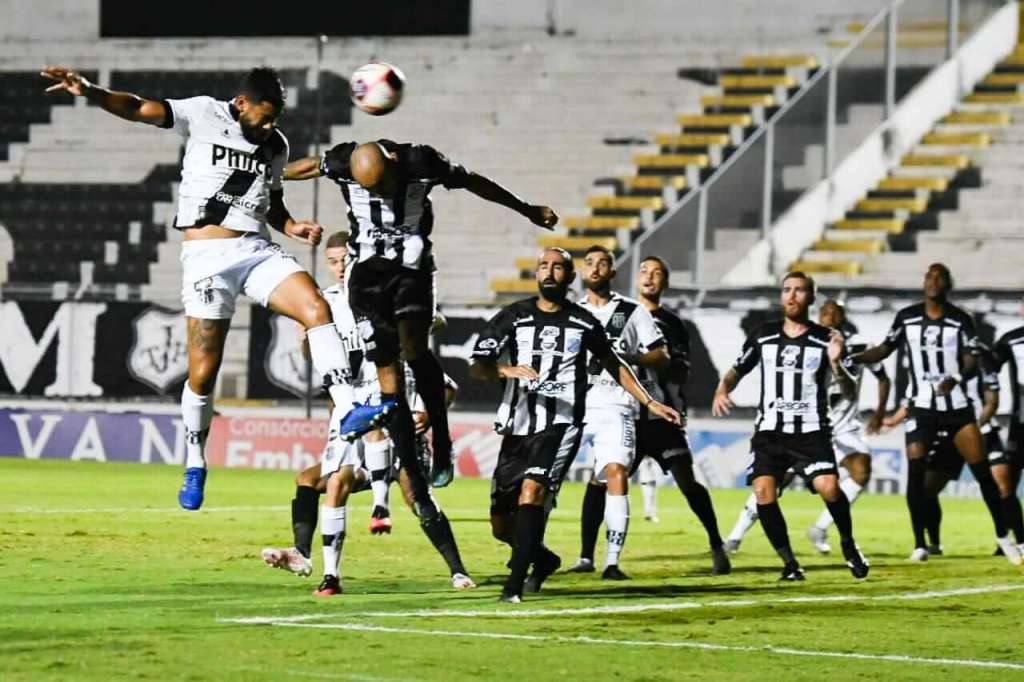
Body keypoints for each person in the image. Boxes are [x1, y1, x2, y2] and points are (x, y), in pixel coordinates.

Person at [40, 66, 358, 511]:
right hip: (207, 258)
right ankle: (195, 459)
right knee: (203, 373)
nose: (270, 126)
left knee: (316, 308)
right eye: (265, 116)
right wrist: (90, 91)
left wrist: (291, 226)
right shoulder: (203, 113)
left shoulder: (275, 145)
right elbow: (137, 108)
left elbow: (271, 198)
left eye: (276, 119)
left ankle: (348, 408)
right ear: (242, 103)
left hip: (256, 250)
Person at [284, 141, 558, 503]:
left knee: (414, 351)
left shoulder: (422, 162)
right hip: (366, 278)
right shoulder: (342, 161)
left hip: (412, 271)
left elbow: (474, 182)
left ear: (392, 163)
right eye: (370, 189)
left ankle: (441, 439)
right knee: (388, 375)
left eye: (383, 186)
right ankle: (411, 465)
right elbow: (306, 167)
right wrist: (266, 171)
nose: (379, 195)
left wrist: (526, 209)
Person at [260, 233, 473, 593]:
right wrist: (306, 342)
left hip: (392, 407)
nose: (340, 267)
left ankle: (457, 570)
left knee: (416, 496)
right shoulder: (320, 304)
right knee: (322, 481)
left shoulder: (378, 291)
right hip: (355, 410)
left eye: (345, 259)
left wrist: (428, 415)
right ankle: (317, 565)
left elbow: (431, 331)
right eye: (333, 261)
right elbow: (321, 364)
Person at [470, 247, 682, 602]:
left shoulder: (582, 321)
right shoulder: (514, 315)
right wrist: (505, 370)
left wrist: (649, 401)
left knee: (533, 491)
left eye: (558, 267)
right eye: (544, 266)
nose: (550, 272)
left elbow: (614, 364)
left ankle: (514, 587)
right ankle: (544, 559)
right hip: (518, 425)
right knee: (501, 526)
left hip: (562, 423)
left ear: (569, 277)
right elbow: (478, 364)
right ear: (537, 274)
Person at [568, 254, 731, 577]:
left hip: (659, 417)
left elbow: (679, 369)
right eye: (644, 270)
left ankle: (717, 545)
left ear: (665, 282)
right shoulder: (617, 314)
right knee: (600, 481)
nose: (649, 277)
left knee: (687, 481)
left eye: (657, 273)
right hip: (620, 413)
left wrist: (632, 359)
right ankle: (586, 557)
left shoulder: (672, 323)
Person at [849, 264, 1022, 565]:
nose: (933, 282)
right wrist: (853, 357)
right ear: (924, 283)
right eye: (929, 276)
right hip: (921, 408)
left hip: (957, 408)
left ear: (948, 285)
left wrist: (956, 377)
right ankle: (920, 545)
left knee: (983, 474)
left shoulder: (960, 319)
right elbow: (885, 349)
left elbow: (971, 362)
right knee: (916, 474)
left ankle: (1002, 536)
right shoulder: (907, 317)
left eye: (939, 278)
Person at [712, 272, 869, 580]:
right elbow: (737, 369)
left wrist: (837, 364)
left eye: (799, 290)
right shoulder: (763, 335)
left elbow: (850, 391)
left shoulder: (828, 339)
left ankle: (848, 544)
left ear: (811, 297)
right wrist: (722, 390)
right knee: (763, 493)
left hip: (811, 431)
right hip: (770, 432)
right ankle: (790, 564)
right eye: (787, 290)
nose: (792, 295)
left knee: (829, 487)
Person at [724, 300, 891, 555]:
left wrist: (879, 413)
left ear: (844, 316)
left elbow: (883, 377)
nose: (830, 316)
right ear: (818, 315)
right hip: (806, 426)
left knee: (861, 470)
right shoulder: (807, 342)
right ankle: (735, 536)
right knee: (776, 483)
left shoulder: (859, 344)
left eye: (835, 311)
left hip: (843, 426)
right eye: (825, 312)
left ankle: (820, 528)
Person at [564, 246, 670, 581]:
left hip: (616, 405)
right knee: (544, 479)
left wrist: (625, 360)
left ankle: (611, 562)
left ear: (612, 272)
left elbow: (660, 354)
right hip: (572, 406)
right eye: (589, 263)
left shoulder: (632, 311)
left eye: (603, 264)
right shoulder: (571, 311)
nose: (595, 269)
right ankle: (539, 554)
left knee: (616, 472)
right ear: (582, 272)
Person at [990, 305, 1024, 551]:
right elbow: (988, 367)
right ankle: (1010, 540)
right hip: (1020, 424)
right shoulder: (1011, 339)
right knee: (1007, 485)